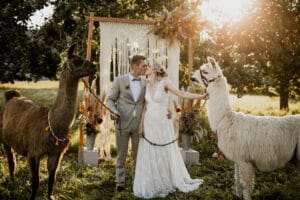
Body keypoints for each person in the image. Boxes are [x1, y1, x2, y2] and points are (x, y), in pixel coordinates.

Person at [133, 63, 206, 199]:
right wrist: (141, 125)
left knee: (163, 151)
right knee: (150, 151)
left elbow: (181, 93)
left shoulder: (164, 83)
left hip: (162, 124)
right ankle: (152, 181)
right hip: (149, 124)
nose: (145, 68)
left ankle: (166, 179)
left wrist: (200, 97)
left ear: (154, 70)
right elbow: (145, 107)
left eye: (147, 66)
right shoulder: (147, 86)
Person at [106, 55, 148, 192]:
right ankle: (120, 182)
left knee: (138, 155)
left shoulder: (146, 82)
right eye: (143, 65)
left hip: (139, 126)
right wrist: (113, 111)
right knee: (121, 155)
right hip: (122, 122)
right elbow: (110, 100)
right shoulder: (119, 80)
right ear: (135, 66)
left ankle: (137, 181)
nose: (145, 67)